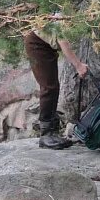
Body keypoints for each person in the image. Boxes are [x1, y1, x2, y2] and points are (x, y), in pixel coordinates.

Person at [24, 18, 89, 150]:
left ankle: (52, 132)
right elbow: (63, 41)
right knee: (49, 87)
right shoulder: (62, 14)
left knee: (53, 86)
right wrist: (78, 65)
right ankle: (46, 135)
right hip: (37, 44)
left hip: (44, 45)